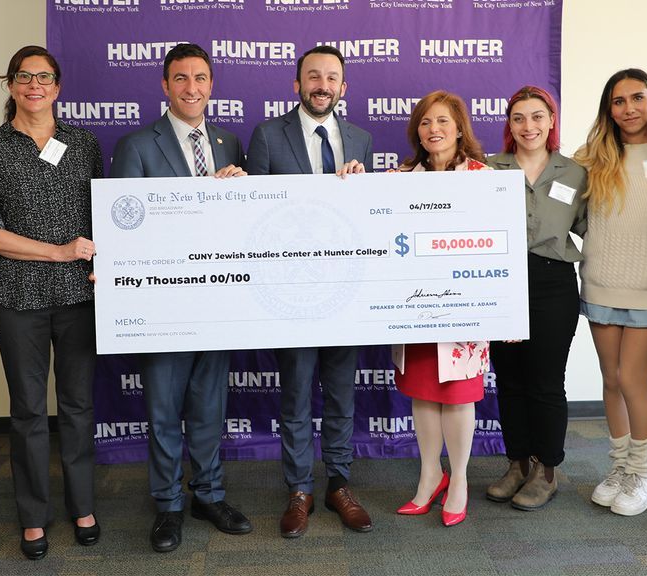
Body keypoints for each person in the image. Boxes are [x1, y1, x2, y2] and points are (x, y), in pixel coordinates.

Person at [110, 43, 252, 553]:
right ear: (165, 86)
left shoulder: (229, 141)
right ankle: (169, 503)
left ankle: (209, 494)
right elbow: (127, 227)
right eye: (180, 79)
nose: (191, 88)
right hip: (162, 302)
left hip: (217, 299)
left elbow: (244, 225)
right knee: (165, 408)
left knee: (210, 406)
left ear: (211, 85)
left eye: (200, 78)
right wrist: (199, 196)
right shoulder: (136, 145)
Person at [0, 45, 102, 560]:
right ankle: (32, 516)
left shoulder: (84, 143)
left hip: (77, 296)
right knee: (27, 410)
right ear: (10, 86)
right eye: (24, 77)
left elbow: (100, 219)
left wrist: (90, 257)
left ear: (58, 87)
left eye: (44, 77)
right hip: (17, 298)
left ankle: (83, 505)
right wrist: (58, 252)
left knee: (77, 405)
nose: (35, 86)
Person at [246, 45, 373, 538]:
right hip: (290, 292)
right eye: (313, 76)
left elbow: (364, 217)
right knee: (297, 394)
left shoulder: (360, 138)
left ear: (344, 87)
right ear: (296, 84)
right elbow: (252, 216)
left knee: (341, 393)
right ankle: (299, 488)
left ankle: (338, 484)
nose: (322, 84)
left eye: (332, 77)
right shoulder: (267, 135)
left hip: (344, 290)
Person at [573, 69, 647, 516]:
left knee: (632, 381)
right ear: (609, 109)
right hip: (600, 281)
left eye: (637, 98)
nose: (628, 109)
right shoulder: (590, 160)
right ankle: (621, 467)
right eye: (618, 101)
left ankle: (646, 473)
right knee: (610, 380)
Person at [390, 90, 491, 527]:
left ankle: (461, 479)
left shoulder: (483, 177)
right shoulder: (401, 177)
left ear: (459, 128)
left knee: (457, 393)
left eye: (443, 122)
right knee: (424, 392)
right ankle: (431, 474)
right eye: (427, 122)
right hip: (413, 305)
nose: (434, 130)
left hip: (463, 303)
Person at [485, 86, 587, 511]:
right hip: (499, 282)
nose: (529, 126)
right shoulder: (488, 169)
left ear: (551, 121)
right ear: (509, 125)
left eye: (537, 117)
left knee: (545, 382)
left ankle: (546, 470)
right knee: (509, 381)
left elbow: (591, 229)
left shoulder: (577, 173)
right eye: (519, 118)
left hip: (552, 282)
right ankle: (517, 465)